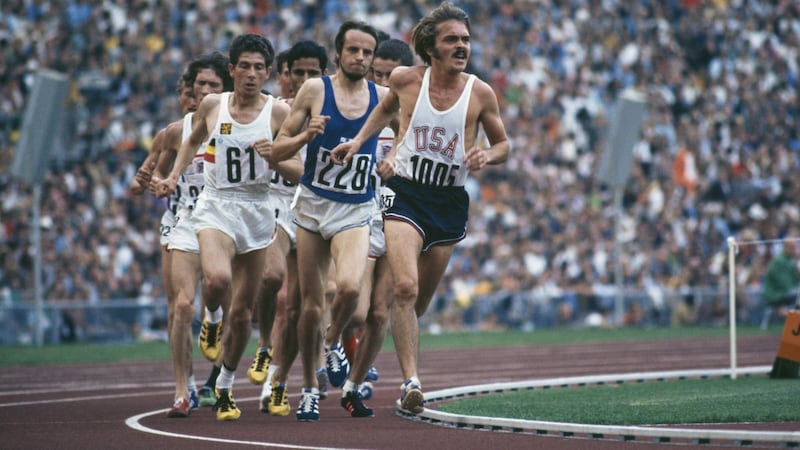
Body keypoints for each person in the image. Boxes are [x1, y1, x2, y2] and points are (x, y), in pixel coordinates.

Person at [331, 2, 510, 415]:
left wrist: (488, 154)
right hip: (405, 192)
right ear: (431, 48)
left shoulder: (480, 93)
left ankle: (355, 381)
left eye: (466, 39)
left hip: (448, 201)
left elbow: (503, 143)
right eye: (452, 39)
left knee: (416, 305)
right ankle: (411, 382)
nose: (462, 46)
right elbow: (384, 110)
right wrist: (358, 141)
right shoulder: (406, 79)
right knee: (404, 289)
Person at [156, 34, 294, 422]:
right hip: (216, 205)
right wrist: (174, 175)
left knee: (244, 314)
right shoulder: (214, 105)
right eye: (243, 66)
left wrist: (277, 157)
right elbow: (192, 140)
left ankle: (225, 386)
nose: (250, 74)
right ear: (232, 70)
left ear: (268, 73)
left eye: (258, 68)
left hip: (257, 209)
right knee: (216, 279)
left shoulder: (278, 114)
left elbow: (300, 170)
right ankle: (211, 321)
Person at [271, 20, 385, 422]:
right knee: (309, 307)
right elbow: (276, 150)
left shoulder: (382, 97)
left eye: (367, 52)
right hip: (313, 207)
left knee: (350, 288)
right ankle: (308, 389)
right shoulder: (315, 90)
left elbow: (406, 137)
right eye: (353, 50)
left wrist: (392, 160)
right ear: (338, 53)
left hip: (355, 208)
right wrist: (306, 136)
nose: (360, 57)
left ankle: (332, 343)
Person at [147, 52, 233, 417]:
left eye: (214, 84)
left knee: (230, 305)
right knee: (181, 306)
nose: (206, 90)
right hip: (185, 218)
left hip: (225, 220)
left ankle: (218, 376)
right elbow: (155, 170)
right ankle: (184, 390)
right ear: (191, 88)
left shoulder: (236, 124)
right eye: (201, 84)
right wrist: (157, 181)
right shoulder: (175, 132)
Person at [247, 39, 329, 414]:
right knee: (272, 281)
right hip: (275, 204)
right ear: (284, 75)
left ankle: (277, 379)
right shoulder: (271, 110)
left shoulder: (333, 113)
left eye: (313, 73)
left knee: (297, 308)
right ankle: (264, 344)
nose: (305, 79)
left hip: (315, 210)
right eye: (298, 72)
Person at [338, 38, 415, 411]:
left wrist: (397, 158)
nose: (383, 82)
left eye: (390, 76)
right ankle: (336, 348)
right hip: (363, 214)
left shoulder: (412, 111)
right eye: (377, 74)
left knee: (381, 311)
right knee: (356, 311)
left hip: (398, 215)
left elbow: (408, 140)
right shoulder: (360, 108)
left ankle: (353, 386)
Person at [762, 241, 800, 323]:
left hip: (786, 291)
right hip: (776, 294)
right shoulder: (780, 260)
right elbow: (784, 284)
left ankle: (793, 319)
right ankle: (793, 320)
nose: (795, 250)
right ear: (786, 248)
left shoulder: (789, 260)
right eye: (793, 248)